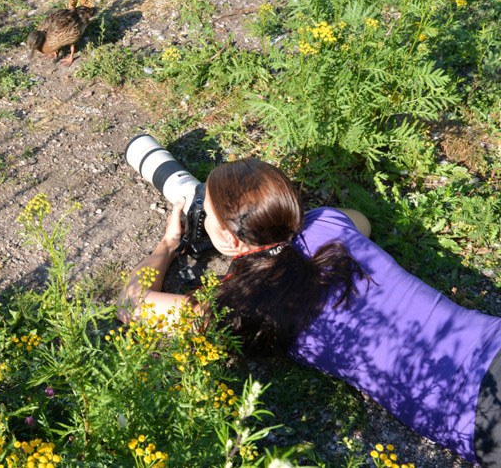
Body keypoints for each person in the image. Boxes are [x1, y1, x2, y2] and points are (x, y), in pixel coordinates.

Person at [118, 158, 501, 466]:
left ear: (229, 238)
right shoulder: (327, 224)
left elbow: (130, 303)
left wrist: (169, 243)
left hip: (472, 412)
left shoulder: (241, 303)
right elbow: (360, 222)